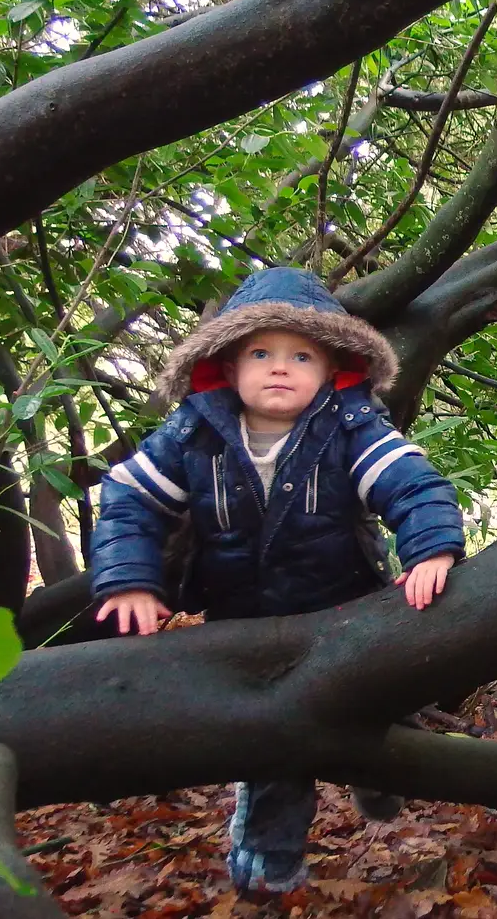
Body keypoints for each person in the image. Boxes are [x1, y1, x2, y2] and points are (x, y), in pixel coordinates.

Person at [89, 266, 467, 896]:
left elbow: (410, 482)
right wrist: (131, 580)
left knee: (375, 696)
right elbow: (128, 498)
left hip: (341, 603)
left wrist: (430, 549)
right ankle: (270, 863)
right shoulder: (194, 433)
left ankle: (383, 769)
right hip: (243, 618)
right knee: (272, 734)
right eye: (260, 353)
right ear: (227, 366)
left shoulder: (348, 426)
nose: (279, 367)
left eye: (301, 354)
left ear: (332, 369)